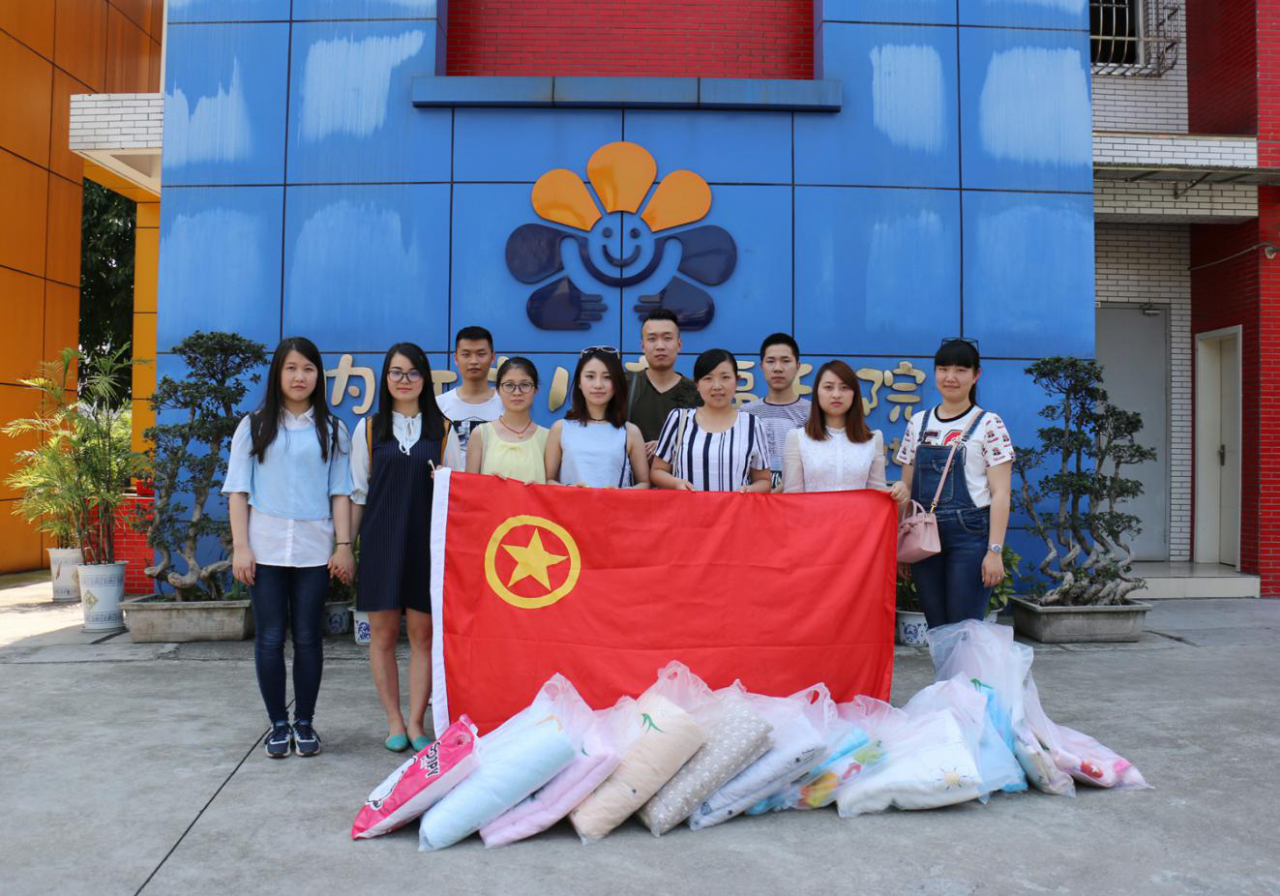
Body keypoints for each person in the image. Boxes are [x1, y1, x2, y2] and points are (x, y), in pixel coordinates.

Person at [224, 337, 354, 760]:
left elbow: (340, 492)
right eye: (291, 368)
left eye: (308, 369)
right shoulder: (254, 426)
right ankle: (278, 723)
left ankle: (305, 722)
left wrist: (344, 546)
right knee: (269, 637)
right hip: (264, 549)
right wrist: (241, 547)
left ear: (319, 376)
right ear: (278, 373)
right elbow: (238, 491)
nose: (300, 377)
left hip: (314, 551)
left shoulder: (333, 430)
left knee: (308, 637)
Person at [349, 343, 449, 753]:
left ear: (425, 378)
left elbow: (457, 493)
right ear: (385, 378)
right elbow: (358, 494)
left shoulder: (442, 430)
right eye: (396, 372)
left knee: (424, 636)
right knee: (384, 635)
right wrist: (345, 547)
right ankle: (393, 720)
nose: (404, 380)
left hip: (427, 545)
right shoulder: (369, 429)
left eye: (413, 372)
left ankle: (417, 721)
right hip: (381, 543)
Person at [896, 339, 1014, 628]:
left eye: (961, 370)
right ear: (935, 372)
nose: (951, 377)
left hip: (970, 537)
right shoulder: (918, 423)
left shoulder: (989, 423)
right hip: (924, 536)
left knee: (964, 626)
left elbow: (1000, 493)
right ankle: (944, 663)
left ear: (976, 375)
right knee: (937, 626)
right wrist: (901, 545)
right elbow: (906, 489)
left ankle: (966, 663)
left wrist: (994, 551)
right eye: (943, 369)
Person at [781, 359, 908, 504]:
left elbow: (877, 496)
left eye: (844, 387)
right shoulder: (797, 439)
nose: (836, 394)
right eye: (828, 387)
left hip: (859, 519)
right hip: (812, 518)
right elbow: (792, 499)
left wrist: (898, 490)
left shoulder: (873, 440)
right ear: (817, 392)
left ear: (854, 394)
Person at [651, 348, 771, 493]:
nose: (717, 386)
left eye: (725, 377)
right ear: (697, 384)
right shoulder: (679, 419)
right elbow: (657, 471)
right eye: (708, 378)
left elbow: (764, 480)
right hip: (687, 507)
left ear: (737, 381)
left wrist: (749, 490)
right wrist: (676, 483)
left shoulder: (752, 425)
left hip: (735, 508)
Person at [545, 347, 650, 489]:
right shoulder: (560, 428)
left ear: (617, 383)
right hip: (570, 504)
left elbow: (644, 484)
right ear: (579, 382)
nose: (598, 385)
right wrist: (569, 490)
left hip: (616, 504)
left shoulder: (630, 432)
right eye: (590, 376)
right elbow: (548, 480)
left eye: (607, 377)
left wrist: (621, 493)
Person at [742, 333, 812, 490]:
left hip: (796, 496)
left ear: (798, 366)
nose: (778, 368)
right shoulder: (746, 414)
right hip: (754, 496)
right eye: (770, 361)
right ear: (761, 366)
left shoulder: (812, 413)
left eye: (786, 361)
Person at [626, 309, 700, 455]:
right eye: (652, 339)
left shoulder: (696, 392)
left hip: (679, 470)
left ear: (679, 345)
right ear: (643, 346)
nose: (660, 346)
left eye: (667, 338)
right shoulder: (625, 385)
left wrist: (666, 447)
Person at [465, 357, 549, 484]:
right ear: (498, 390)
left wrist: (539, 490)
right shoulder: (481, 434)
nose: (517, 392)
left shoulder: (548, 438)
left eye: (525, 385)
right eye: (509, 385)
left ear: (535, 390)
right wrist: (488, 485)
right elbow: (469, 488)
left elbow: (554, 488)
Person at [436, 326, 502, 468]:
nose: (473, 361)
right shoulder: (438, 405)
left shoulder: (506, 404)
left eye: (481, 354)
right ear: (456, 358)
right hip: (452, 482)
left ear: (492, 357)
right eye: (466, 354)